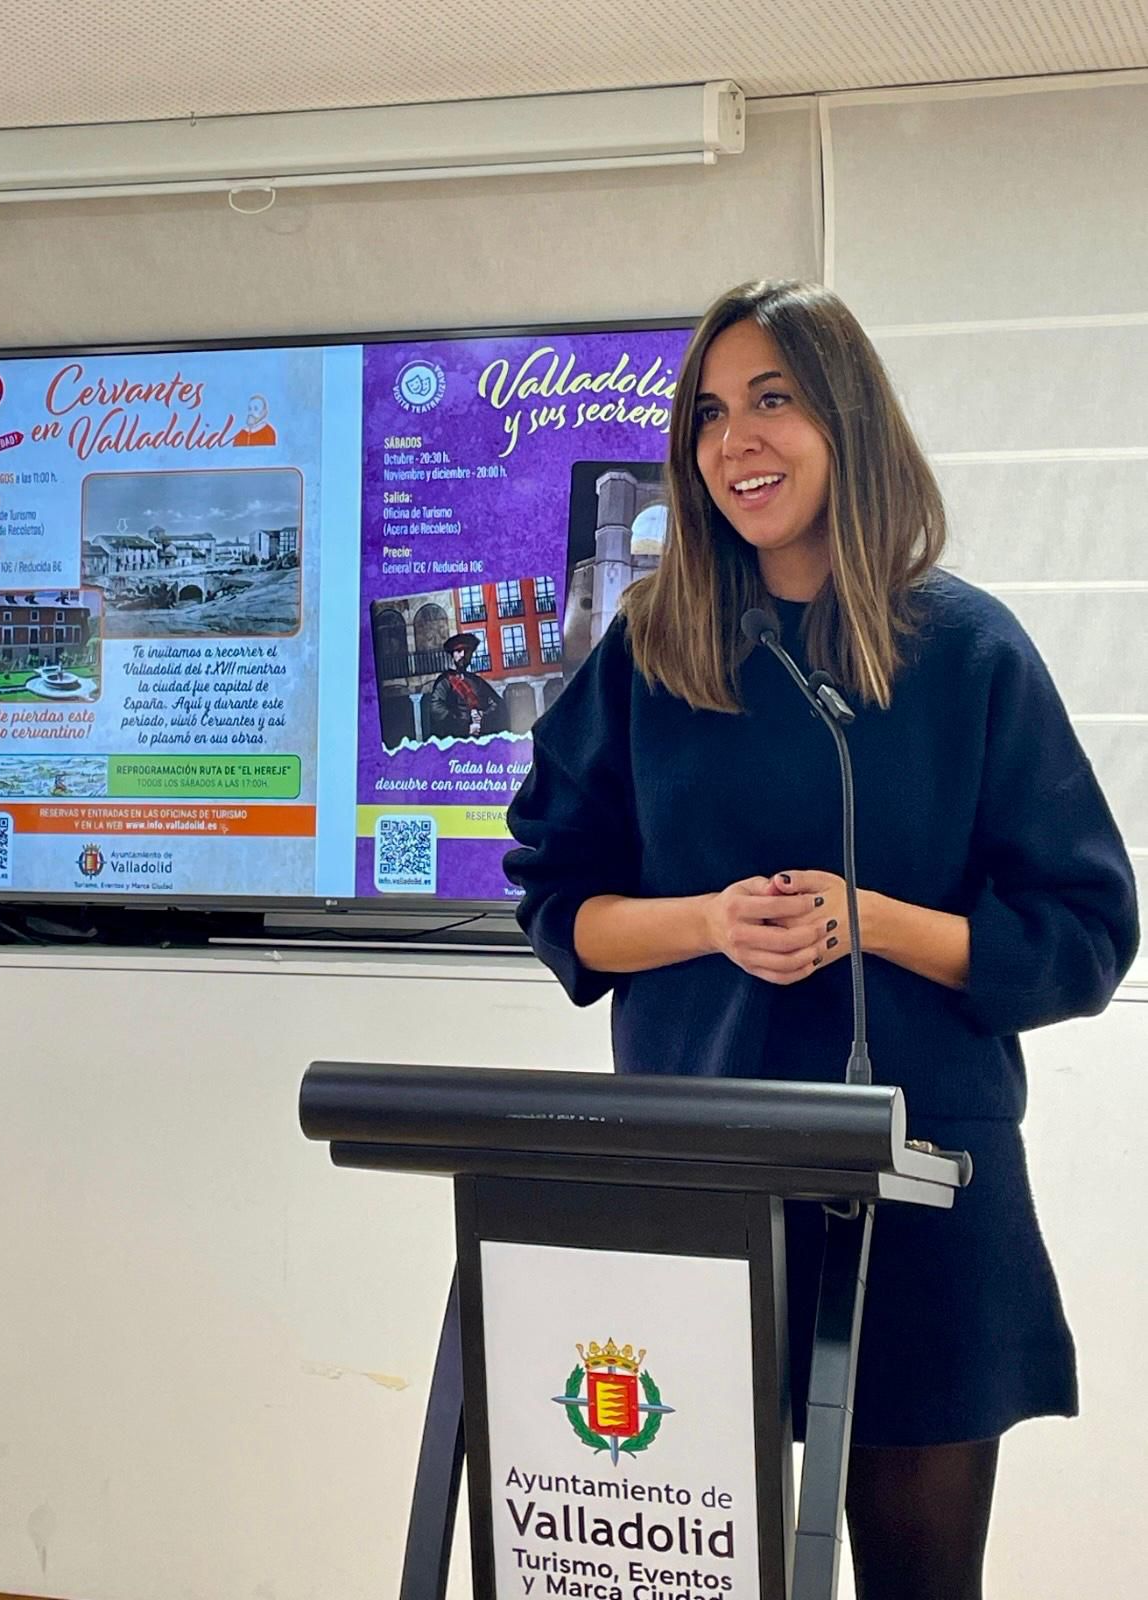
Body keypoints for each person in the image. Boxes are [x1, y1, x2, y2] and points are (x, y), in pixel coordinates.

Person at [504, 280, 1138, 1600]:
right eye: (708, 413)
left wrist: (876, 924)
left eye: (772, 399)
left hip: (921, 1186)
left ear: (846, 418)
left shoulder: (966, 651)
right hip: (704, 1181)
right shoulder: (649, 653)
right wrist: (709, 922)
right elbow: (562, 902)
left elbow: (1084, 931)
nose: (735, 441)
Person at [425, 632, 508, 740]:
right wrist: (465, 728)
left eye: (467, 651)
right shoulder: (444, 681)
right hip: (455, 740)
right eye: (459, 651)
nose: (463, 655)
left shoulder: (477, 681)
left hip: (480, 737)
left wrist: (483, 715)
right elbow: (437, 708)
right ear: (453, 654)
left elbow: (497, 703)